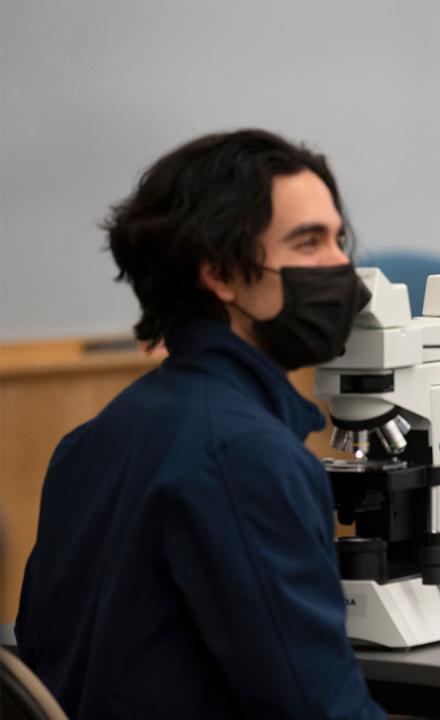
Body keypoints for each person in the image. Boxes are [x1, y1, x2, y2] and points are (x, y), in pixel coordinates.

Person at [16, 129, 385, 719]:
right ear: (222, 274)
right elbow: (316, 708)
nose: (342, 265)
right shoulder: (246, 457)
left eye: (340, 239)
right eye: (309, 242)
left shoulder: (90, 440)